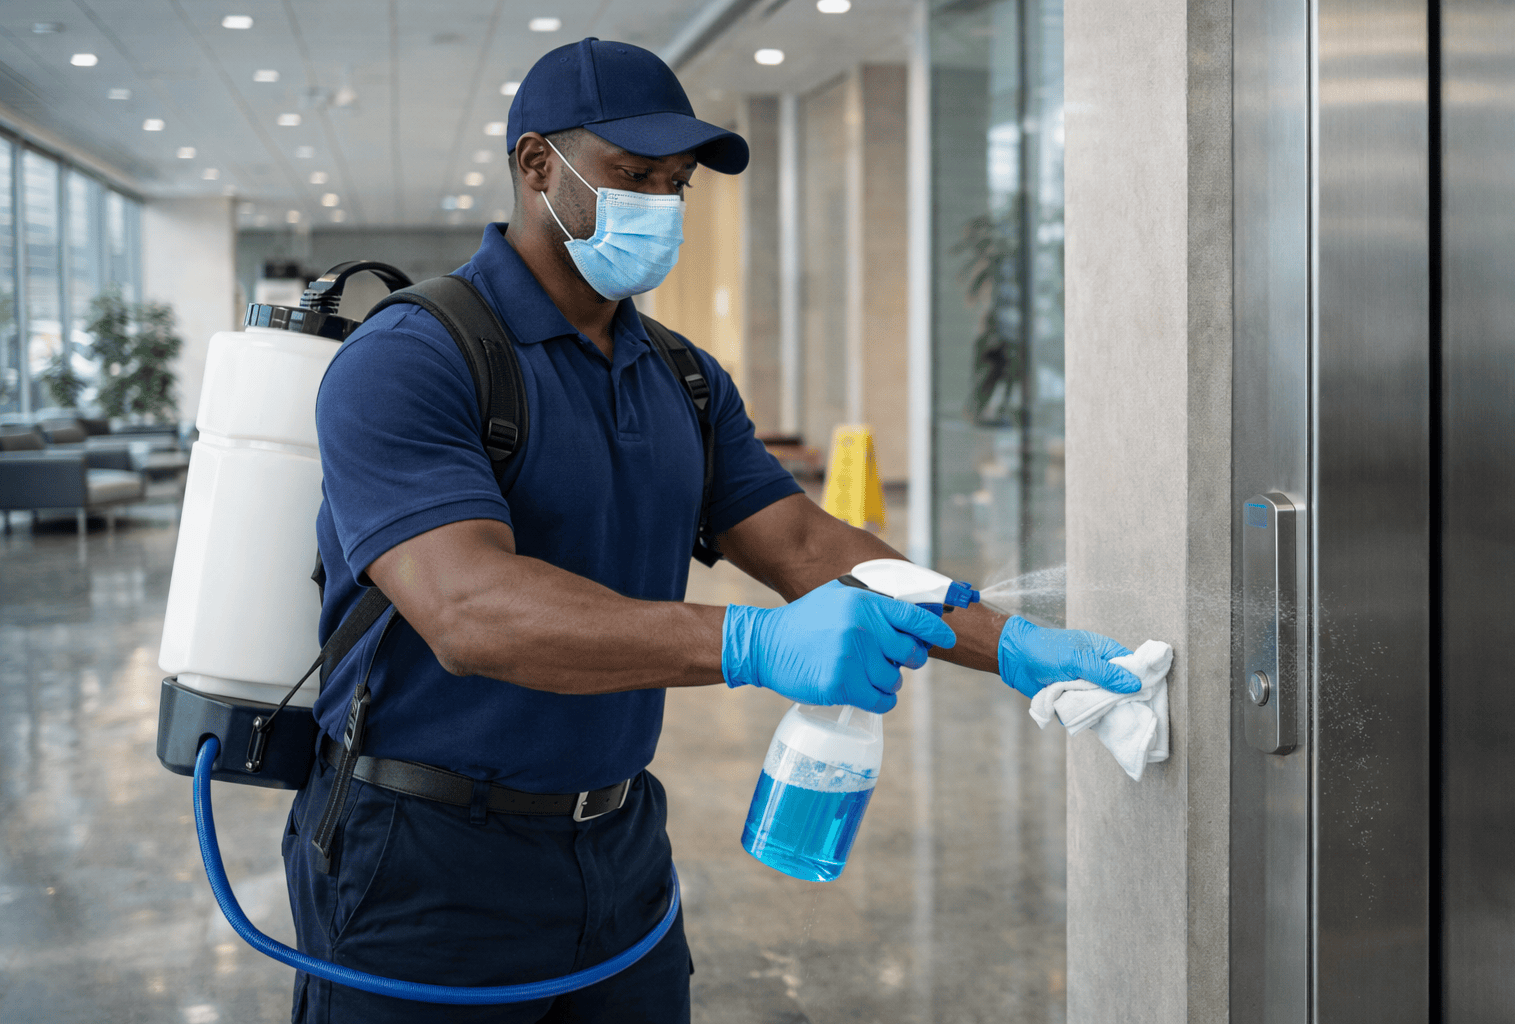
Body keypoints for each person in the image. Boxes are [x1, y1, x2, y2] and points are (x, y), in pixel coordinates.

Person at [281, 36, 1141, 1024]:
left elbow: (811, 548)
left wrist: (1018, 644)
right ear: (536, 166)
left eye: (676, 184)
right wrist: (750, 641)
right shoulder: (414, 356)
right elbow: (471, 609)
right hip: (420, 859)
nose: (660, 204)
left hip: (617, 844)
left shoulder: (682, 378)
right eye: (633, 175)